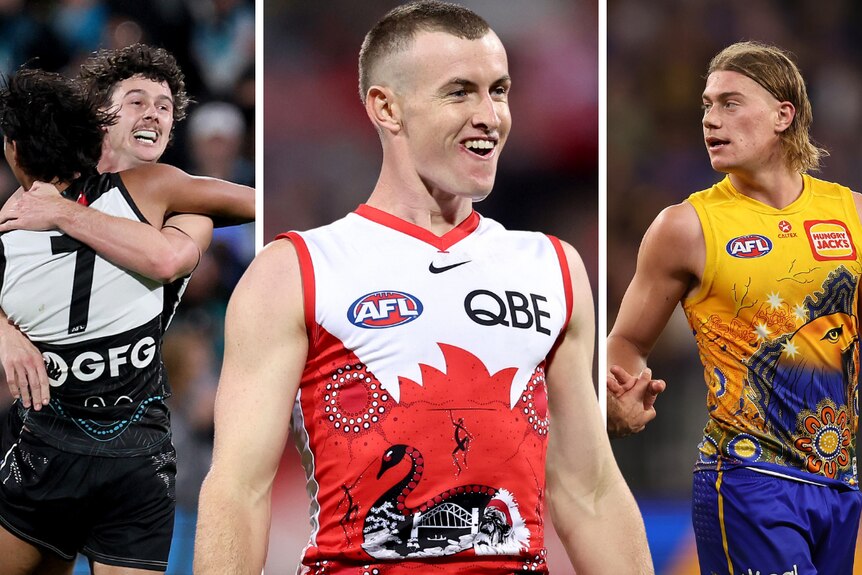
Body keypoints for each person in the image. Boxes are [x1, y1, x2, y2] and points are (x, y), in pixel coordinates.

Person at [194, 2, 651, 574]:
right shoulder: (297, 270)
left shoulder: (553, 267)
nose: (490, 115)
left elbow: (591, 492)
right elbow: (239, 489)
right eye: (459, 92)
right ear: (386, 107)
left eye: (500, 90)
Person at [607, 41, 862, 574]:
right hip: (748, 482)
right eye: (706, 105)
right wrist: (617, 395)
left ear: (782, 115)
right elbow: (627, 342)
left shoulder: (851, 213)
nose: (710, 120)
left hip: (841, 483)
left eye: (729, 103)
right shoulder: (686, 227)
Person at [0, 59, 253, 575]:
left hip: (134, 449)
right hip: (44, 435)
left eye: (165, 108)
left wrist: (66, 215)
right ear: (100, 113)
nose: (155, 114)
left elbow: (174, 255)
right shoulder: (39, 188)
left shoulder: (172, 194)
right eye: (138, 101)